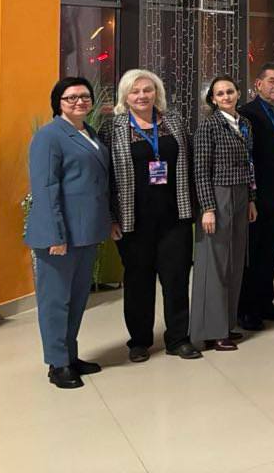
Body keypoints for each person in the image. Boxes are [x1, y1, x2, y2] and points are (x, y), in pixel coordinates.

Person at [103, 69, 201, 362]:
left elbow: (190, 162)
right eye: (135, 91)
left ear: (157, 92)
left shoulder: (174, 121)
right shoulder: (113, 128)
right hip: (133, 220)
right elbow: (105, 177)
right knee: (138, 282)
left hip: (175, 216)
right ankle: (139, 341)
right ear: (125, 96)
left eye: (147, 90)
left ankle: (178, 339)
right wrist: (111, 217)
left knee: (177, 279)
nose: (142, 96)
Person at [27, 77, 114, 388]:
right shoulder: (49, 136)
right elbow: (46, 188)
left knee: (76, 300)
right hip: (59, 235)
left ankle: (70, 355)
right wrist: (55, 234)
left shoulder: (88, 132)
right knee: (55, 302)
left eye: (84, 96)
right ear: (59, 102)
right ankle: (57, 364)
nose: (80, 101)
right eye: (71, 97)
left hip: (86, 232)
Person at [191, 76, 257, 351]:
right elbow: (200, 171)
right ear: (213, 99)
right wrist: (207, 208)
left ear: (238, 93)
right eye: (220, 94)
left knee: (235, 261)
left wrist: (251, 199)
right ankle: (212, 330)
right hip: (218, 196)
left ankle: (227, 324)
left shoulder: (245, 124)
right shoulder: (208, 126)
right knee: (215, 263)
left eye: (230, 91)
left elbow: (250, 164)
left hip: (241, 194)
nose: (226, 96)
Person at [236, 62, 274, 332]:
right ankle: (246, 308)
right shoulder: (246, 115)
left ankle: (265, 301)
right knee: (252, 255)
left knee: (271, 253)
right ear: (258, 84)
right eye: (272, 81)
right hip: (256, 197)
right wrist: (251, 195)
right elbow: (245, 158)